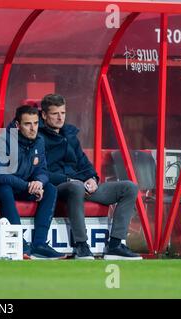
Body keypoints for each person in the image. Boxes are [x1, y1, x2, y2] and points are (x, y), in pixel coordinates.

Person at [38, 94, 142, 260]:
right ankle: (81, 245)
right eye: (55, 113)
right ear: (44, 115)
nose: (60, 117)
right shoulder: (38, 137)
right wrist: (70, 181)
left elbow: (85, 164)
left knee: (129, 187)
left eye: (63, 113)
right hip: (60, 186)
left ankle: (115, 245)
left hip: (81, 184)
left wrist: (92, 179)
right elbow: (40, 172)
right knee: (76, 187)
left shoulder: (70, 136)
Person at [0, 105, 66, 259]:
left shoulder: (39, 141)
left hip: (20, 185)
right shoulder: (3, 141)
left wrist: (38, 182)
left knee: (50, 189)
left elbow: (43, 171)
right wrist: (28, 186)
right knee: (4, 189)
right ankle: (19, 242)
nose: (33, 128)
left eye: (36, 123)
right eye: (28, 124)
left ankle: (39, 243)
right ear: (18, 125)